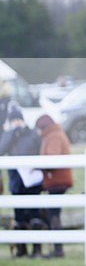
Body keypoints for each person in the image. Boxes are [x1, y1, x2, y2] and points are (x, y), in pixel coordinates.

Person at [0, 108, 45, 257]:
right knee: (19, 216)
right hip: (16, 181)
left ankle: (37, 248)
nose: (16, 123)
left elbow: (40, 151)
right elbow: (1, 149)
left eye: (18, 120)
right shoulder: (8, 135)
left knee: (34, 214)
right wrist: (12, 134)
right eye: (13, 121)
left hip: (31, 181)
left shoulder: (32, 134)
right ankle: (21, 249)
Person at [35, 114, 73, 258]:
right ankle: (57, 247)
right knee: (52, 213)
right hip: (56, 180)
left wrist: (39, 167)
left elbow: (52, 158)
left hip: (57, 181)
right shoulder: (53, 134)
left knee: (54, 214)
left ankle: (58, 249)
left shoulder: (53, 136)